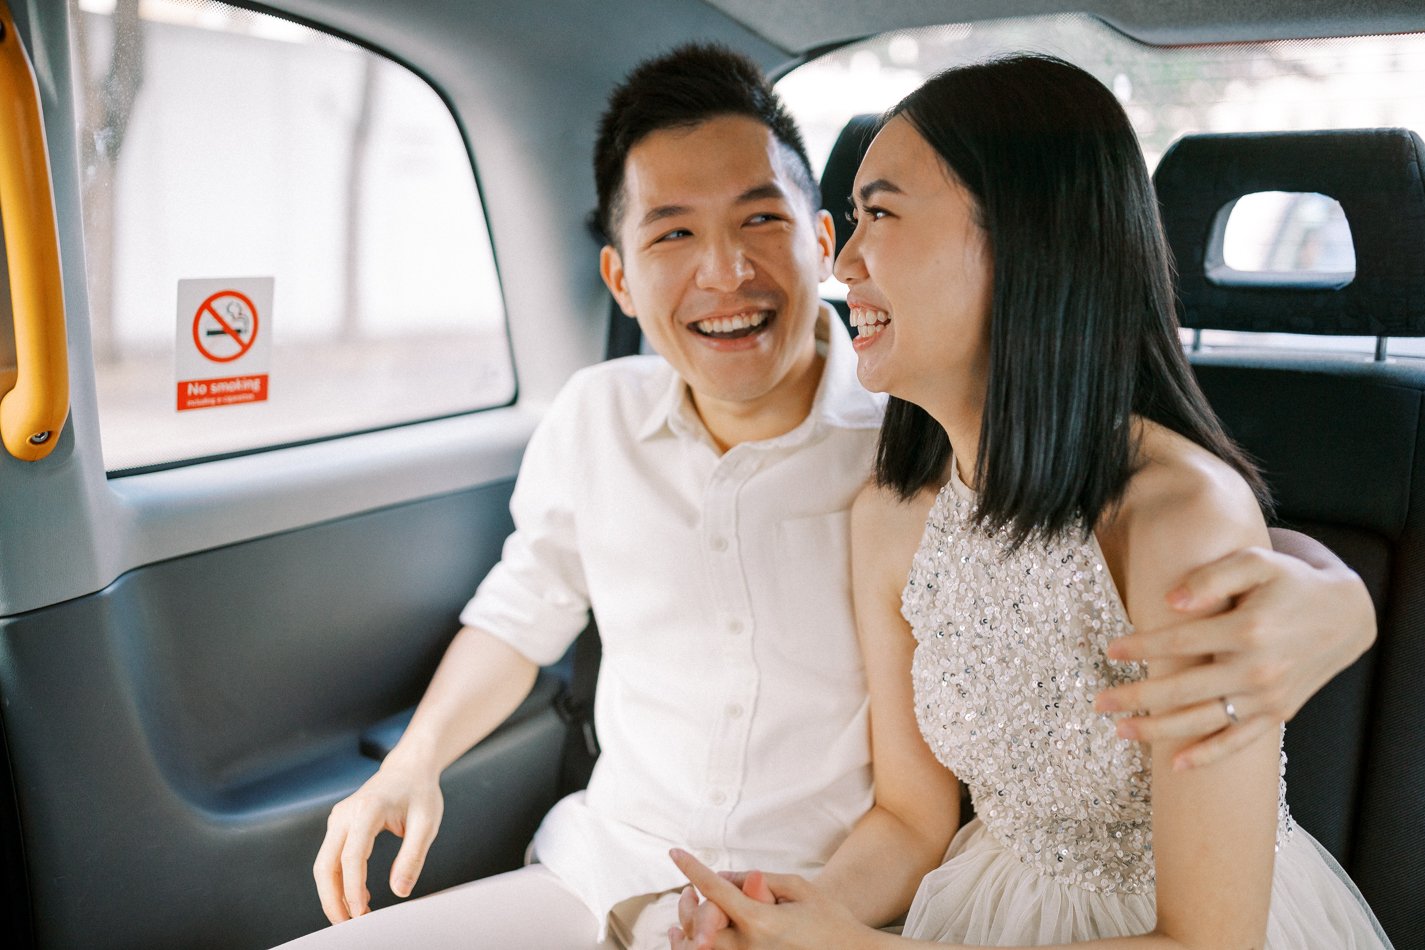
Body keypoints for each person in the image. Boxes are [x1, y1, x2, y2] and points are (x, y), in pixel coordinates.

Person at [286, 46, 1377, 950]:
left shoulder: (912, 450)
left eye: (861, 220)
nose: (838, 264)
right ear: (619, 274)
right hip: (631, 866)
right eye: (672, 231)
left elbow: (1167, 540)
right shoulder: (888, 494)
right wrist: (415, 761)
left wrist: (1339, 595)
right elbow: (523, 605)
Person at [668, 54, 1392, 950]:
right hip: (986, 903)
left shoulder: (1177, 518)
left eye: (880, 214)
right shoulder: (892, 516)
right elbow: (908, 818)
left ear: (1021, 236)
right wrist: (790, 912)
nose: (843, 259)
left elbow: (1210, 941)